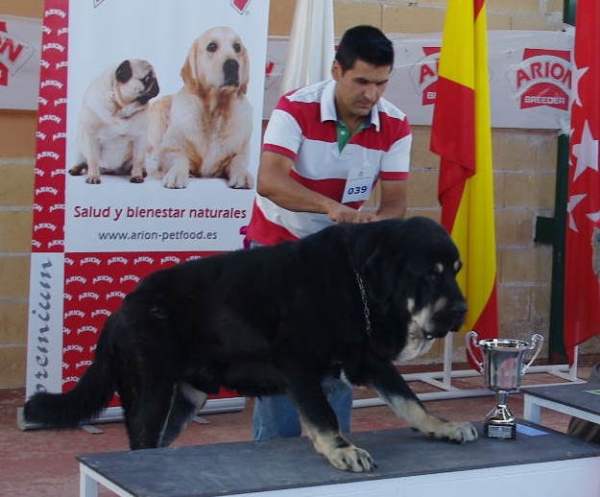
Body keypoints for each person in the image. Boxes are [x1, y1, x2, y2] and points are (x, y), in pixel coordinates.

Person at [246, 25, 412, 440]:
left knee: (339, 359)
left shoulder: (396, 124)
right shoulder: (294, 108)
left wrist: (378, 226)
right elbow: (269, 180)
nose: (371, 95)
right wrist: (330, 207)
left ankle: (334, 455)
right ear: (336, 70)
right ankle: (273, 462)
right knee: (284, 362)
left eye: (381, 83)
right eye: (361, 81)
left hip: (339, 253)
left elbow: (395, 202)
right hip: (278, 244)